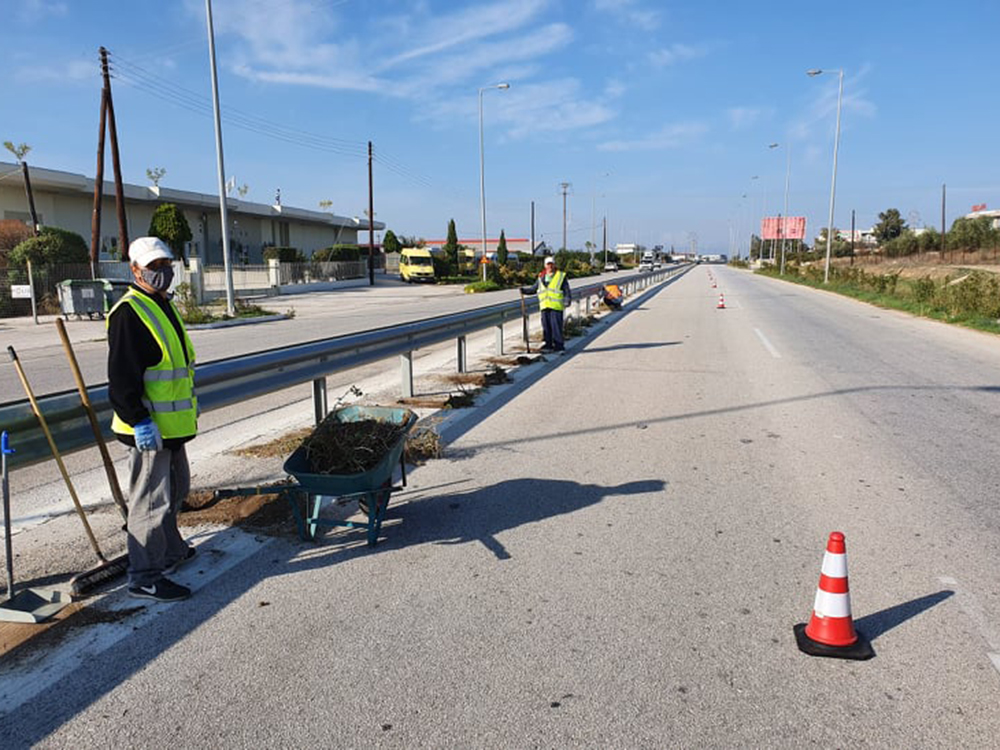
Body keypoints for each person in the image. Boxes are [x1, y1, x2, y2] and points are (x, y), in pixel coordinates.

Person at [108, 237, 198, 602]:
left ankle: (171, 552)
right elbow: (122, 378)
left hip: (172, 427)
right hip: (148, 429)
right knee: (149, 502)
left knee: (177, 491)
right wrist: (139, 421)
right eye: (153, 266)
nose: (161, 272)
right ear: (134, 270)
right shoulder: (129, 313)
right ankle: (144, 576)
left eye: (165, 264)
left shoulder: (161, 304)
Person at [521, 256, 571, 352]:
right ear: (545, 266)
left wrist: (567, 299)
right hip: (545, 306)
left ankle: (559, 346)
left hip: (556, 307)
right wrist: (524, 291)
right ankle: (548, 345)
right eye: (548, 264)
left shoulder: (560, 276)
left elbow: (566, 290)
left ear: (554, 265)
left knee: (556, 327)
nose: (550, 266)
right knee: (546, 327)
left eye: (551, 264)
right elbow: (534, 289)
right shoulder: (541, 277)